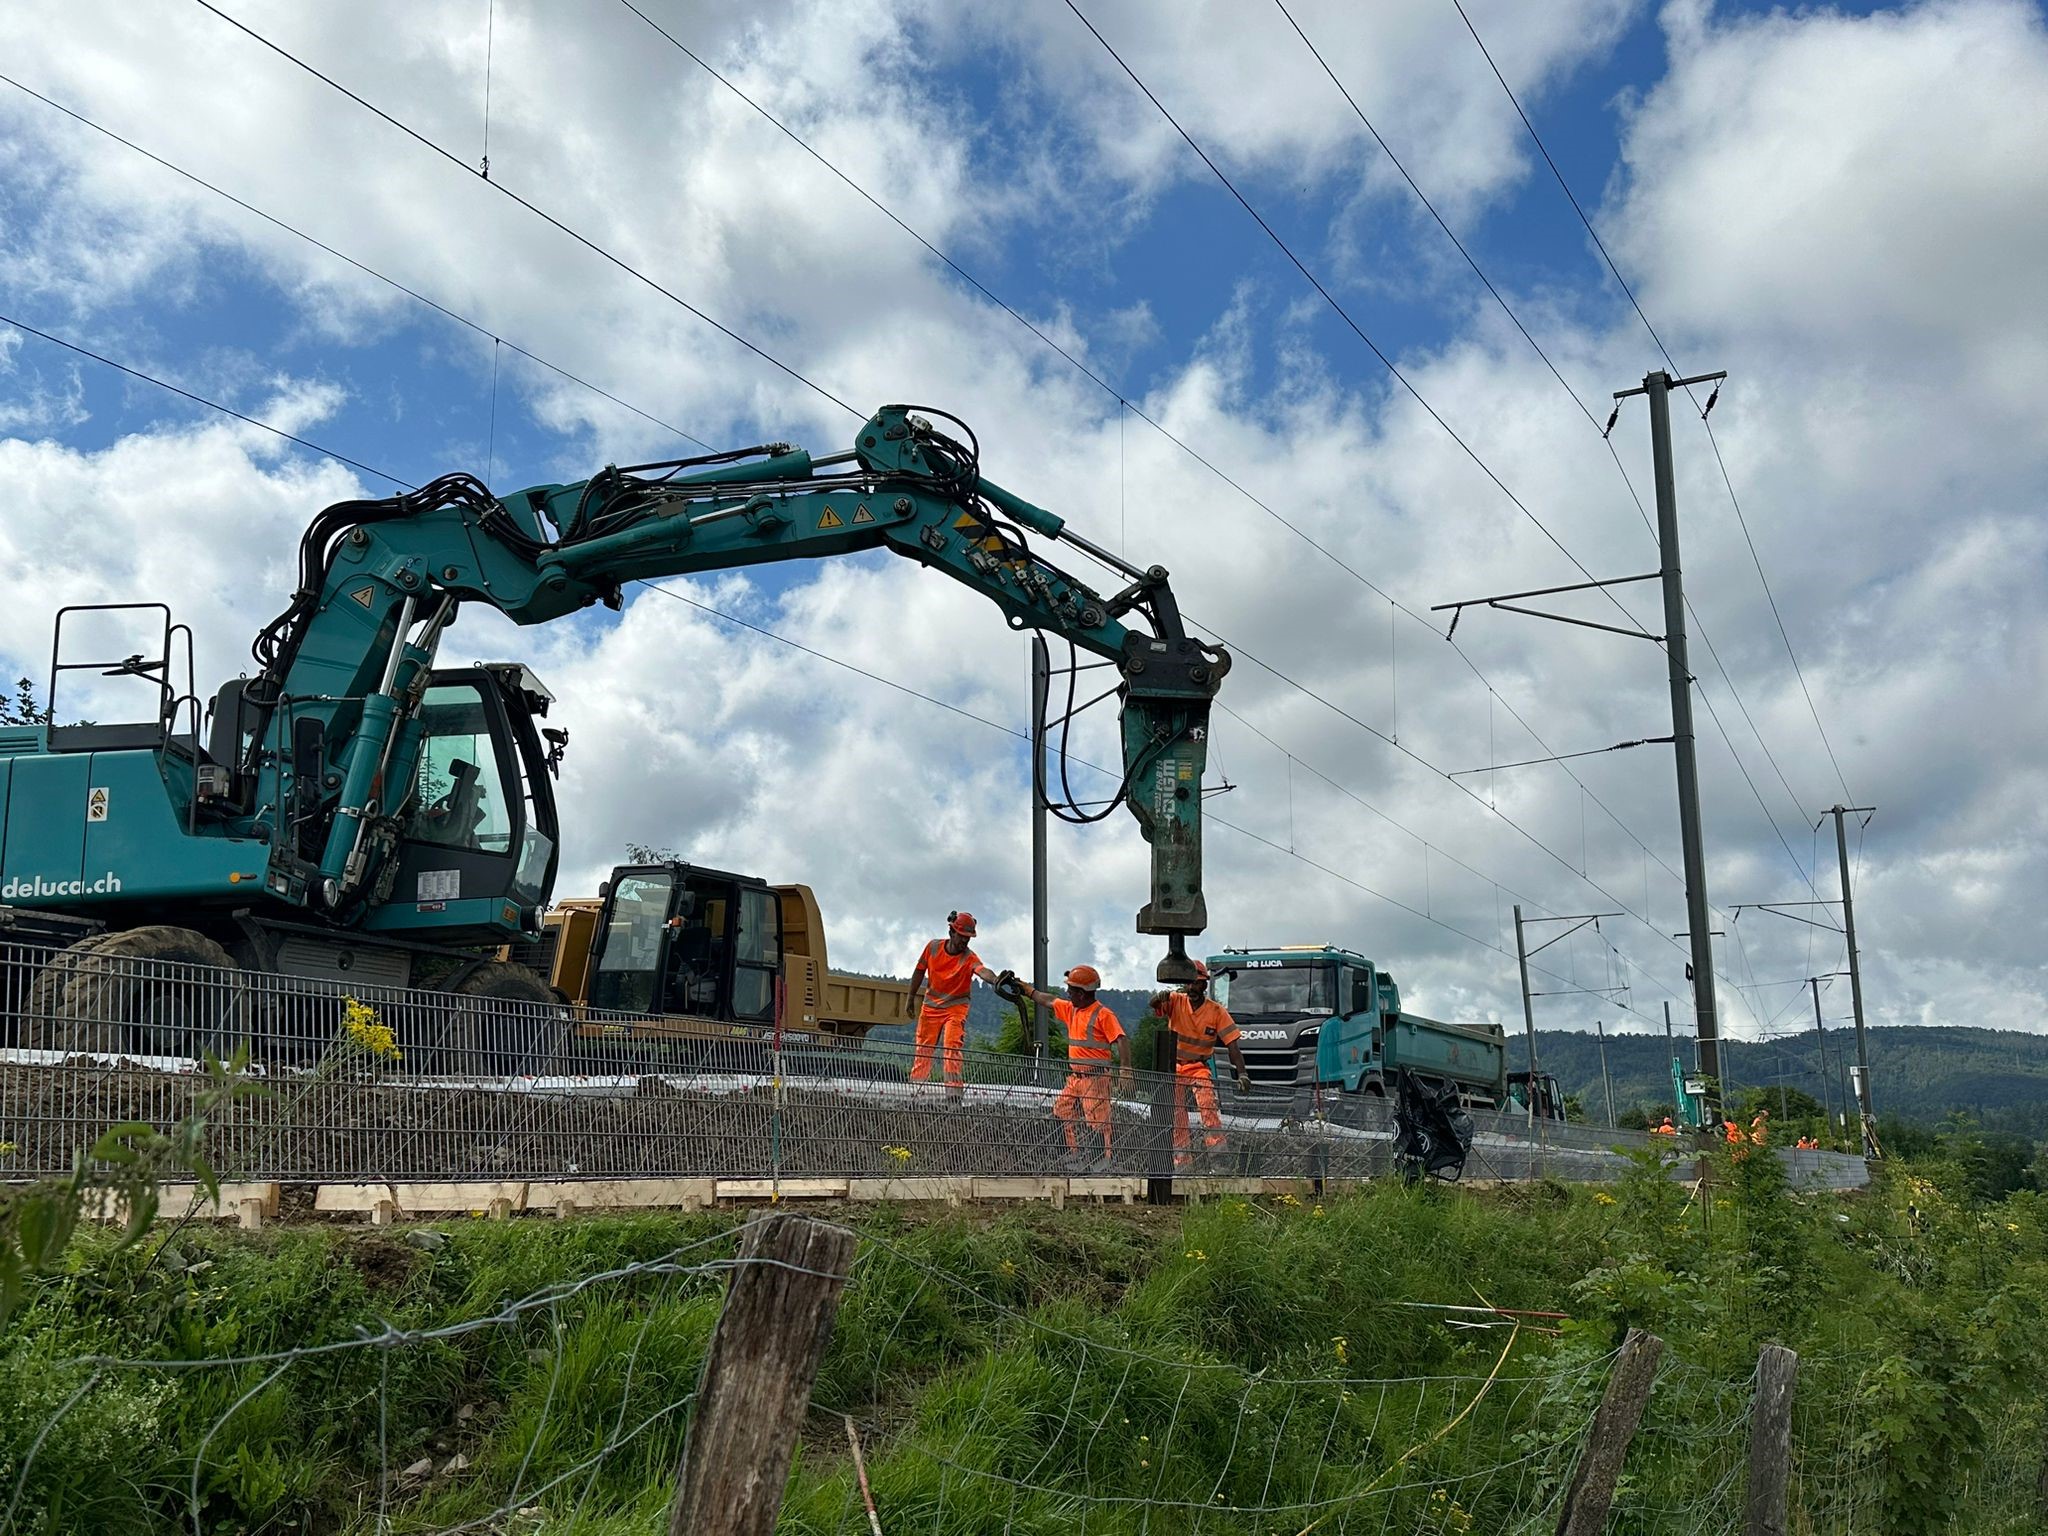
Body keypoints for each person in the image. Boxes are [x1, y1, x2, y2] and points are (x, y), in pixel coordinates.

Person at [1010, 964, 1131, 1172]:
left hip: (1096, 1079)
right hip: (1076, 1078)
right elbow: (1047, 1000)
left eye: (1072, 990)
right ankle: (1073, 1155)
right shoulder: (1071, 1010)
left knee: (1098, 1122)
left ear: (1082, 993)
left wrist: (1126, 1069)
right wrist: (1026, 989)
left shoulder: (1103, 1014)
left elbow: (1121, 1039)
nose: (1068, 993)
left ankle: (1102, 1163)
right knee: (1062, 1111)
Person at [1150, 960, 1250, 1171]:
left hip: (1198, 1067)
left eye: (1197, 983)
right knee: (1176, 1115)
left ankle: (1219, 1161)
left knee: (1208, 1107)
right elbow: (1155, 1006)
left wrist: (1242, 1073)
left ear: (1204, 985)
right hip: (1175, 1067)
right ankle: (1182, 1163)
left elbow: (1232, 1044)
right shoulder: (1176, 1001)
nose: (1192, 988)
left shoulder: (1216, 1012)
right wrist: (1158, 999)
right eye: (1189, 983)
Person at [907, 911, 998, 1101]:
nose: (965, 942)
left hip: (955, 1009)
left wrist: (996, 980)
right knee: (924, 1048)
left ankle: (954, 1094)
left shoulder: (969, 958)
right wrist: (910, 997)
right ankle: (917, 1092)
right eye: (962, 937)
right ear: (951, 932)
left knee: (952, 1046)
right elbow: (919, 971)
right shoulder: (933, 948)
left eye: (968, 938)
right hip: (931, 1007)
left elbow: (982, 972)